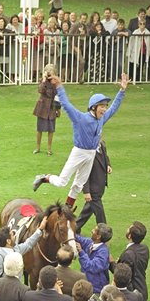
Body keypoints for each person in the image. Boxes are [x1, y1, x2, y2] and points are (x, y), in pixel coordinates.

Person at [32, 73, 127, 208]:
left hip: (91, 154)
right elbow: (66, 104)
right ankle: (44, 177)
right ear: (93, 107)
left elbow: (114, 108)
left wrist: (122, 91)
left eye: (105, 106)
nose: (105, 109)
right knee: (62, 182)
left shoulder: (101, 118)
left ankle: (67, 208)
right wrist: (59, 86)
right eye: (102, 106)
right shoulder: (81, 118)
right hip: (79, 152)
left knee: (79, 184)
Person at [0, 215, 47, 284]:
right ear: (8, 241)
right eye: (12, 235)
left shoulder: (16, 249)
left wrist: (40, 229)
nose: (15, 236)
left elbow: (28, 244)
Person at [110, 221, 149, 301]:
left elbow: (122, 275)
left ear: (130, 236)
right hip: (142, 290)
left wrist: (112, 263)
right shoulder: (144, 248)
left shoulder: (128, 254)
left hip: (131, 294)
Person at [76, 140, 111, 233]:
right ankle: (105, 234)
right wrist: (86, 191)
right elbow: (84, 173)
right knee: (100, 213)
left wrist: (108, 165)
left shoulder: (102, 145)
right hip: (93, 190)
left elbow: (105, 157)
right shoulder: (87, 151)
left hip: (100, 186)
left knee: (87, 211)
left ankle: (74, 227)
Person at [76, 223, 112, 293]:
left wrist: (81, 252)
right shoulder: (91, 242)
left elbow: (91, 267)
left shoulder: (103, 252)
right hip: (86, 285)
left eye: (94, 230)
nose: (92, 231)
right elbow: (79, 239)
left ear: (98, 236)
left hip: (96, 290)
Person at [33, 65, 61, 156]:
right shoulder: (43, 81)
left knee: (51, 129)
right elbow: (40, 90)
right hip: (43, 107)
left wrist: (58, 109)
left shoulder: (56, 82)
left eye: (51, 72)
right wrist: (44, 81)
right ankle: (38, 147)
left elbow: (57, 96)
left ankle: (49, 149)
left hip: (52, 107)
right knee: (39, 128)